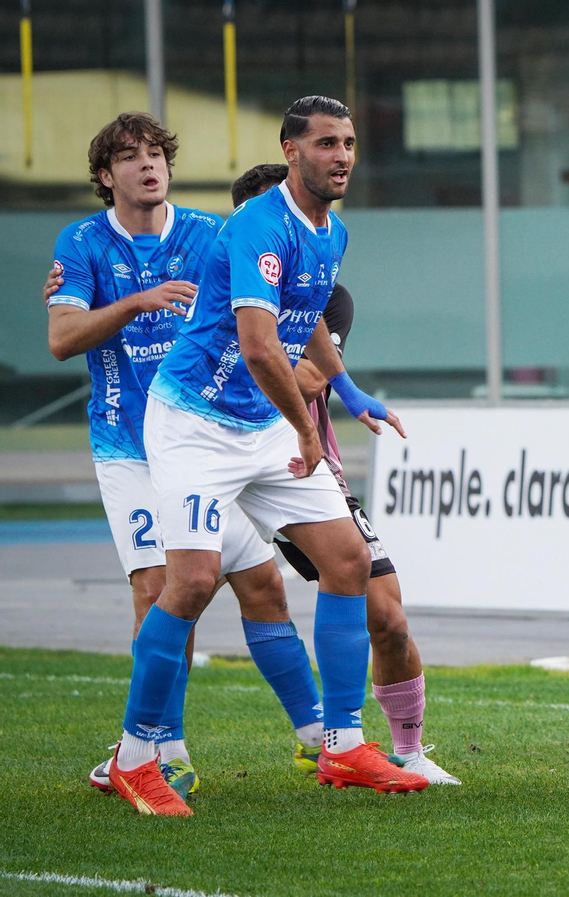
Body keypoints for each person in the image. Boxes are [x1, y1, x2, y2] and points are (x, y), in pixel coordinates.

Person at [106, 96, 425, 817]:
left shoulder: (331, 232)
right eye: (324, 143)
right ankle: (134, 756)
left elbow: (302, 317)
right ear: (290, 150)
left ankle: (342, 742)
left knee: (346, 560)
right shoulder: (256, 223)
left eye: (348, 143)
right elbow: (256, 343)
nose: (341, 155)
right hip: (192, 422)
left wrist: (347, 389)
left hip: (261, 425)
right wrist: (307, 432)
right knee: (189, 581)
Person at [45, 113, 323, 803]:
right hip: (129, 447)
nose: (148, 166)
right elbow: (61, 337)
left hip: (210, 445)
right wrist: (140, 301)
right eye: (130, 157)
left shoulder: (209, 233)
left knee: (264, 586)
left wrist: (328, 374)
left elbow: (280, 299)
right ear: (105, 175)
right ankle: (160, 748)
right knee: (161, 588)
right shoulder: (80, 243)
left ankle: (321, 737)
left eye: (156, 154)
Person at [229, 164, 459, 786]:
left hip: (306, 467)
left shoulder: (329, 296)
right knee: (192, 590)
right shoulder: (225, 282)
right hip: (227, 463)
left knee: (387, 614)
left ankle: (403, 750)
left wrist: (351, 395)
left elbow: (308, 378)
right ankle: (150, 748)